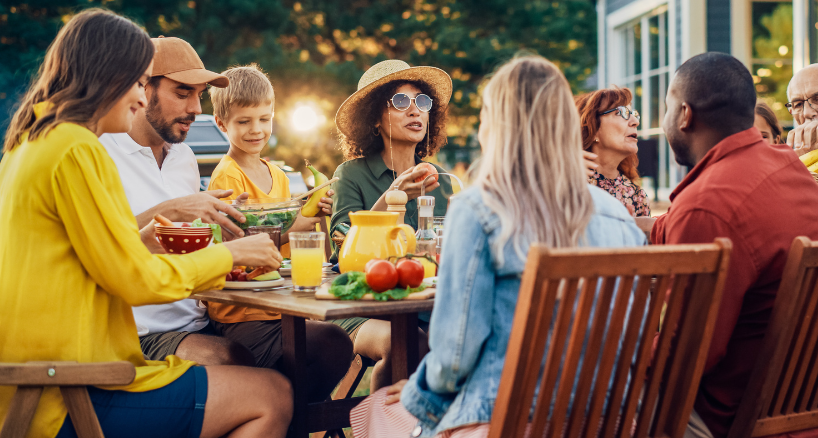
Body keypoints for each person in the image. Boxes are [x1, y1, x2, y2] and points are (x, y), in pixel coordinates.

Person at [0, 8, 290, 437]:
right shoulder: (76, 150)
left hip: (38, 379)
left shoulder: (33, 142)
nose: (140, 98)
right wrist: (226, 254)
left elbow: (93, 253)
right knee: (272, 395)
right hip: (64, 390)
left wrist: (160, 233)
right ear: (108, 77)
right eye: (138, 83)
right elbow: (134, 281)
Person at [350, 55, 646, 438]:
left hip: (504, 420)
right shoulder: (617, 217)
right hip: (608, 421)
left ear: (496, 126)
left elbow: (455, 355)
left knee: (378, 409)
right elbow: (629, 337)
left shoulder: (479, 209)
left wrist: (423, 395)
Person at [650, 52, 818, 438]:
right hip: (806, 409)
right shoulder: (791, 170)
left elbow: (683, 361)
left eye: (665, 107)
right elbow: (710, 224)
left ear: (684, 114)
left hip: (731, 420)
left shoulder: (707, 205)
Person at [101, 36, 256, 367]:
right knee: (234, 360)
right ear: (142, 89)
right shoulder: (100, 152)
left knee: (315, 344)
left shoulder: (183, 156)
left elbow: (183, 243)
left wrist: (223, 226)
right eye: (182, 93)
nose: (196, 109)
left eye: (198, 96)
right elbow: (104, 247)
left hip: (201, 316)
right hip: (138, 331)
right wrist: (172, 210)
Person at [206, 64, 354, 402]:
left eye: (264, 118)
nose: (256, 130)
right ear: (221, 123)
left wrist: (317, 214)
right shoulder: (227, 178)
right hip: (242, 315)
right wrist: (302, 220)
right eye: (243, 121)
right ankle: (290, 416)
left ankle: (291, 415)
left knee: (330, 344)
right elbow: (240, 247)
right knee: (331, 344)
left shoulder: (280, 176)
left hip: (281, 307)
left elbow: (290, 244)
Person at [329, 59, 453, 391]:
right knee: (409, 343)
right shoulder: (350, 174)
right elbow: (343, 248)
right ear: (374, 120)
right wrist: (392, 196)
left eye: (422, 102)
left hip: (426, 307)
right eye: (400, 101)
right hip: (359, 306)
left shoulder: (442, 181)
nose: (415, 111)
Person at [575, 87, 651, 217]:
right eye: (622, 112)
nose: (635, 122)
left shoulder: (637, 197)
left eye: (634, 114)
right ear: (592, 128)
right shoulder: (568, 184)